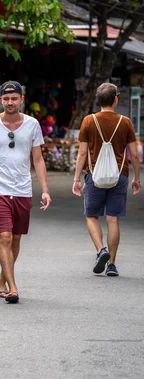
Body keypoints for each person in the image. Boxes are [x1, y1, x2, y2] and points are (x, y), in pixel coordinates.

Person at [0, 80, 52, 304]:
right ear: (0, 100)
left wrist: (45, 190)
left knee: (16, 239)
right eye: (6, 99)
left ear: (22, 99)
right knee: (5, 237)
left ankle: (2, 280)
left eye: (14, 98)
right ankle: (13, 287)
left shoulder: (32, 125)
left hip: (22, 190)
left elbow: (38, 159)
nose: (10, 102)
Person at [72, 82, 141, 277]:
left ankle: (101, 250)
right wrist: (136, 177)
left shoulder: (88, 121)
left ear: (98, 100)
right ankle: (111, 263)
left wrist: (76, 179)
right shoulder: (125, 122)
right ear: (116, 100)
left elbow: (82, 153)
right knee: (113, 219)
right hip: (119, 176)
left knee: (92, 215)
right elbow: (134, 155)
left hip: (95, 176)